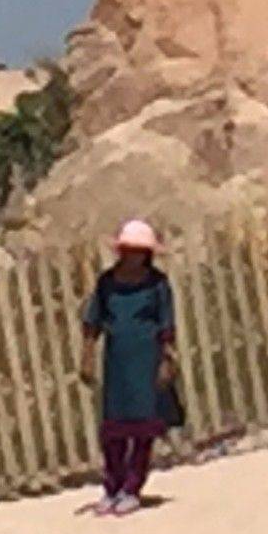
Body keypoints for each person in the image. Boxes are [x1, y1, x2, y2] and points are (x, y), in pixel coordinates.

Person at [79, 217, 177, 515]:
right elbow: (93, 322)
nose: (133, 256)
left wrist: (166, 359)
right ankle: (112, 487)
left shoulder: (157, 284)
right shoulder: (107, 283)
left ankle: (132, 488)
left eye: (138, 251)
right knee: (114, 431)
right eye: (128, 250)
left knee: (142, 428)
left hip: (145, 359)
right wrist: (87, 356)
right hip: (117, 362)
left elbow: (167, 325)